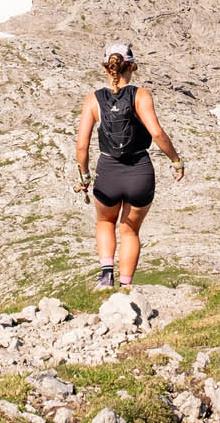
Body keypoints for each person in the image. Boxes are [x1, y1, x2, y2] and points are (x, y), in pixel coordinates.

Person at [73, 42, 184, 290]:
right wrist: (176, 161)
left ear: (106, 68)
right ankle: (126, 286)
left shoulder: (93, 100)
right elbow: (156, 132)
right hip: (139, 172)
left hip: (108, 172)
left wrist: (84, 177)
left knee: (105, 222)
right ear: (132, 66)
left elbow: (81, 146)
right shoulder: (141, 94)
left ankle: (105, 276)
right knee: (130, 230)